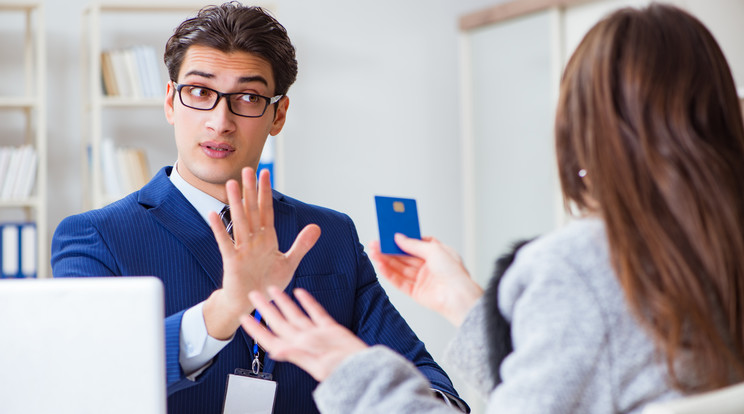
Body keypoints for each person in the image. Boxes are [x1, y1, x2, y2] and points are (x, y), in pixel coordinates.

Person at [239, 4, 744, 413]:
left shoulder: (582, 265)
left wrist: (352, 370)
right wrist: (465, 304)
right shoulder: (717, 251)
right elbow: (586, 378)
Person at [50, 3, 467, 414]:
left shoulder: (330, 235)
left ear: (278, 114)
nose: (220, 121)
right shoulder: (94, 237)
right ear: (171, 102)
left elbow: (429, 388)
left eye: (248, 97)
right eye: (199, 92)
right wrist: (225, 308)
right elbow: (92, 380)